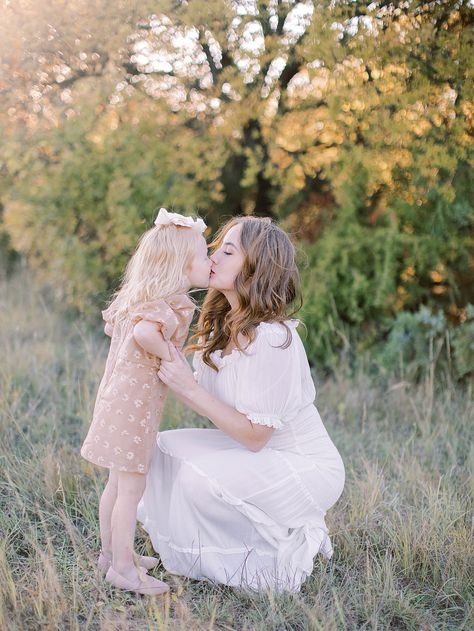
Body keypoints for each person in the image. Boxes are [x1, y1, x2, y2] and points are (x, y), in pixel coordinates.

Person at [137, 216, 345, 592]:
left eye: (228, 251)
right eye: (217, 247)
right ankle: (218, 540)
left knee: (196, 479)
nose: (214, 256)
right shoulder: (222, 322)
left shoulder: (273, 339)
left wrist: (191, 391)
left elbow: (255, 437)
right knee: (159, 447)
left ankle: (277, 544)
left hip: (302, 466)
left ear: (255, 267)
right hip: (252, 450)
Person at [81, 208, 211, 596]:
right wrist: (171, 355)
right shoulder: (166, 303)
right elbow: (142, 334)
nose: (209, 261)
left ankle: (111, 554)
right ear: (180, 266)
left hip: (116, 404)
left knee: (116, 486)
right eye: (205, 255)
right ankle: (123, 568)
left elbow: (128, 328)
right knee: (131, 492)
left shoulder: (143, 297)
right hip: (133, 413)